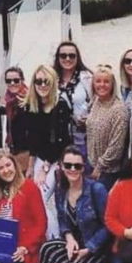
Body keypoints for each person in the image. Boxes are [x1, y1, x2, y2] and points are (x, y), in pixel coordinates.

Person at [18, 64, 72, 239]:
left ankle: (55, 242)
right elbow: (33, 141)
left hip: (58, 158)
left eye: (46, 81)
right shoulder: (31, 107)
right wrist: (31, 167)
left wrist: (45, 168)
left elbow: (60, 141)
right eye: (38, 81)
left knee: (41, 198)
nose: (42, 85)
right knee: (29, 198)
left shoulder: (60, 105)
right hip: (40, 158)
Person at [39, 146, 110, 263]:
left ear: (83, 168)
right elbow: (62, 219)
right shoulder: (61, 189)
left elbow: (108, 226)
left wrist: (89, 249)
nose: (72, 169)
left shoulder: (96, 189)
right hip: (74, 244)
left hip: (96, 248)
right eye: (68, 165)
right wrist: (69, 238)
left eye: (77, 166)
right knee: (46, 249)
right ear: (61, 166)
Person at [86, 64, 129, 190]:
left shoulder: (119, 110)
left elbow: (117, 145)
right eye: (98, 81)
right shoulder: (95, 102)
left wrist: (100, 166)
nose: (102, 85)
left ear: (112, 85)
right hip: (91, 163)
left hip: (107, 170)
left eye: (106, 81)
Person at [54, 41, 93, 171]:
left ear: (77, 57)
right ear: (58, 58)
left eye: (72, 55)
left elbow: (98, 102)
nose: (67, 59)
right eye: (63, 56)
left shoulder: (87, 78)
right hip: (60, 137)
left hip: (83, 137)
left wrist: (90, 117)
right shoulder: (52, 79)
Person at [0, 67, 28, 168]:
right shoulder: (9, 102)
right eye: (8, 81)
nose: (12, 83)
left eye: (16, 80)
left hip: (26, 151)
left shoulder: (27, 99)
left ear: (22, 80)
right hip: (13, 149)